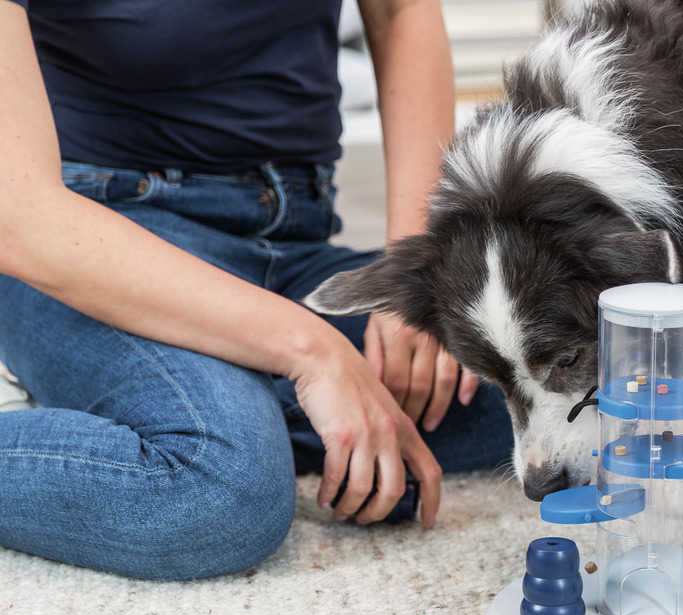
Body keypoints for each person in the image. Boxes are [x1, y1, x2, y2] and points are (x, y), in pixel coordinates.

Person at [0, 0, 514, 580]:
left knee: (549, 389)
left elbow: (399, 12)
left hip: (294, 229)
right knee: (222, 486)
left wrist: (417, 267)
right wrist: (314, 354)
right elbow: (21, 219)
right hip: (101, 243)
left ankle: (212, 400)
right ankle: (222, 408)